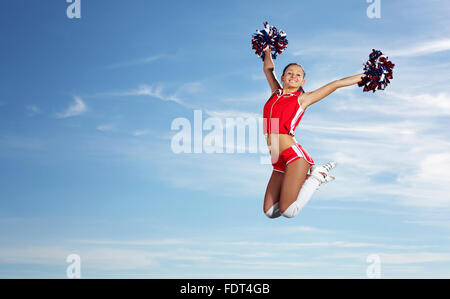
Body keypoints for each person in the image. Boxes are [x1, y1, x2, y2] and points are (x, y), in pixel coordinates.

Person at [262, 47, 366, 218]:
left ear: (303, 81)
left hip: (293, 156)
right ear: (282, 77)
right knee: (270, 212)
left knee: (289, 211)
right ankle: (303, 178)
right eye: (290, 73)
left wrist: (368, 75)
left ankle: (317, 176)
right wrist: (267, 50)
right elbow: (267, 69)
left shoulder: (302, 99)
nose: (293, 76)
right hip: (276, 157)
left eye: (298, 75)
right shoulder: (275, 93)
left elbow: (336, 84)